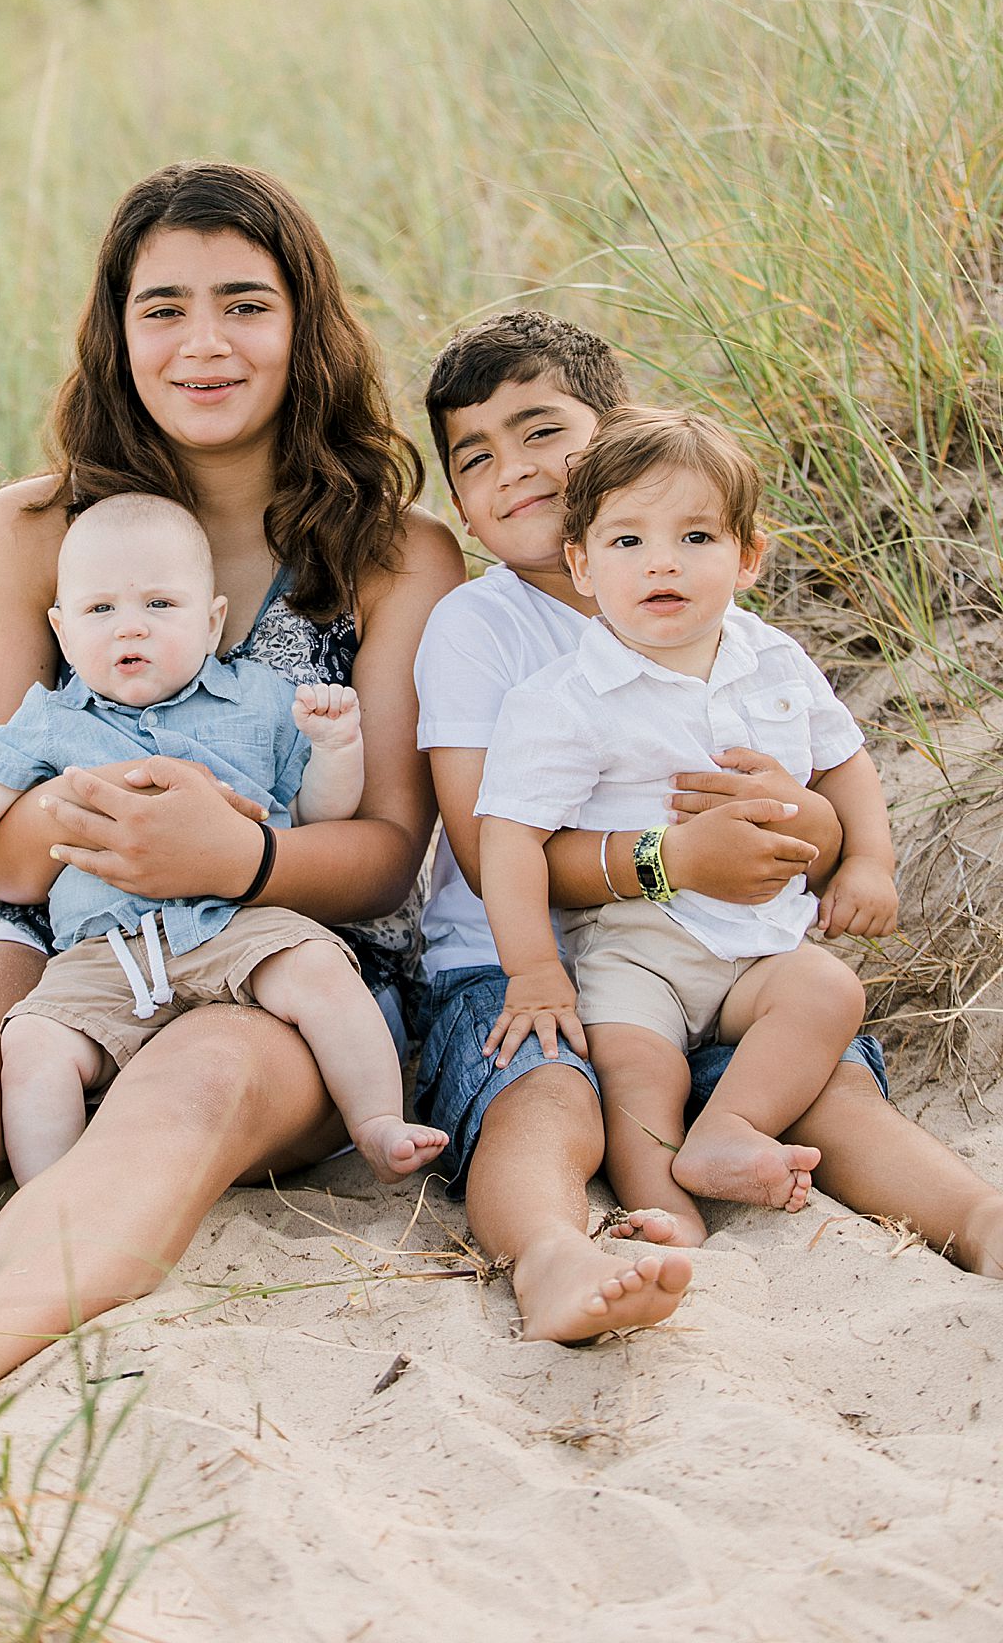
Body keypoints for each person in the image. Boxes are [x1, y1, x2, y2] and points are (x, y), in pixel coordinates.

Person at [0, 159, 470, 1400]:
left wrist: (239, 860)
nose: (203, 343)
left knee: (195, 1081)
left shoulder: (394, 553)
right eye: (161, 307)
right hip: (53, 936)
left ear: (305, 325)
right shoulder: (27, 534)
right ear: (116, 332)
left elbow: (392, 848)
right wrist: (68, 819)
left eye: (245, 302)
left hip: (293, 951)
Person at [413, 310, 1003, 1347]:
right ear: (460, 503)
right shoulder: (484, 626)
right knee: (550, 1100)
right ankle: (560, 1256)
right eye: (476, 456)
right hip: (529, 964)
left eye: (541, 430)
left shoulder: (726, 622)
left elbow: (815, 783)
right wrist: (672, 860)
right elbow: (486, 843)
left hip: (734, 948)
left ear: (617, 431)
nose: (515, 468)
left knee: (824, 1092)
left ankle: (971, 1216)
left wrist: (827, 838)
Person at [0, 492, 448, 1188]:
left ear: (212, 618)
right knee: (32, 1042)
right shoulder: (48, 724)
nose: (132, 628)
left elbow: (315, 813)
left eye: (161, 605)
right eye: (101, 610)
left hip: (237, 925)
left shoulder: (258, 699)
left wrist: (335, 747)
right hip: (105, 950)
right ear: (62, 632)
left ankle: (377, 1121)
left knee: (318, 969)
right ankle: (51, 1191)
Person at [476, 405, 895, 1243]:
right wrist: (532, 972)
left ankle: (728, 1130)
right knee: (636, 1071)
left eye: (696, 538)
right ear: (582, 565)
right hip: (637, 945)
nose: (661, 562)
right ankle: (665, 1212)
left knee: (827, 991)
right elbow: (511, 836)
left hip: (761, 944)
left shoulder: (773, 657)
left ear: (747, 557)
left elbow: (844, 759)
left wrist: (869, 863)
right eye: (627, 541)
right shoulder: (563, 700)